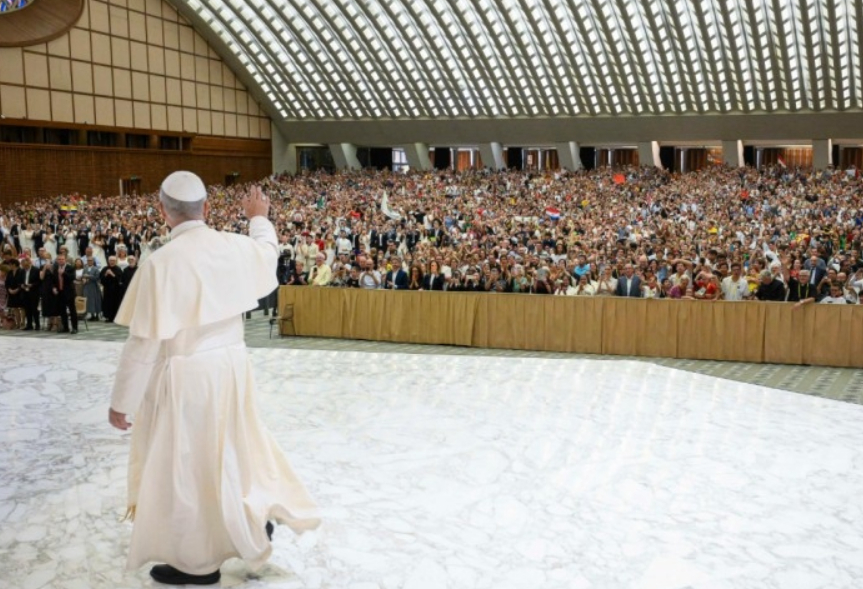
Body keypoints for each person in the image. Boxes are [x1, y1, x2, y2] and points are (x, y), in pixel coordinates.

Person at [108, 172, 319, 586]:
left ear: (162, 211)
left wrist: (122, 401)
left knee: (189, 467)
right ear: (206, 208)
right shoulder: (234, 247)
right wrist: (259, 216)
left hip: (188, 376)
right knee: (237, 452)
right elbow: (267, 250)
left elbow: (143, 342)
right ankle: (252, 522)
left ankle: (197, 563)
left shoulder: (160, 264)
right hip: (232, 367)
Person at [52, 253, 78, 334]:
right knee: (62, 311)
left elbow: (72, 278)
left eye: (62, 259)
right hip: (60, 292)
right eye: (59, 259)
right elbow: (53, 280)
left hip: (69, 292)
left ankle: (75, 328)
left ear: (65, 260)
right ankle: (65, 327)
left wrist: (63, 273)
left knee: (72, 310)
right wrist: (53, 288)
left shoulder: (70, 267)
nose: (61, 261)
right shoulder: (55, 268)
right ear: (57, 260)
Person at [100, 256, 124, 322]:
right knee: (107, 303)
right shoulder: (105, 268)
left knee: (115, 303)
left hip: (116, 290)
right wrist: (106, 274)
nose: (112, 262)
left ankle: (115, 317)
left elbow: (120, 280)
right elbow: (101, 280)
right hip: (107, 290)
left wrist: (112, 274)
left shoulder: (118, 269)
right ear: (108, 261)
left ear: (115, 261)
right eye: (110, 260)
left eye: (113, 260)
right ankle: (108, 317)